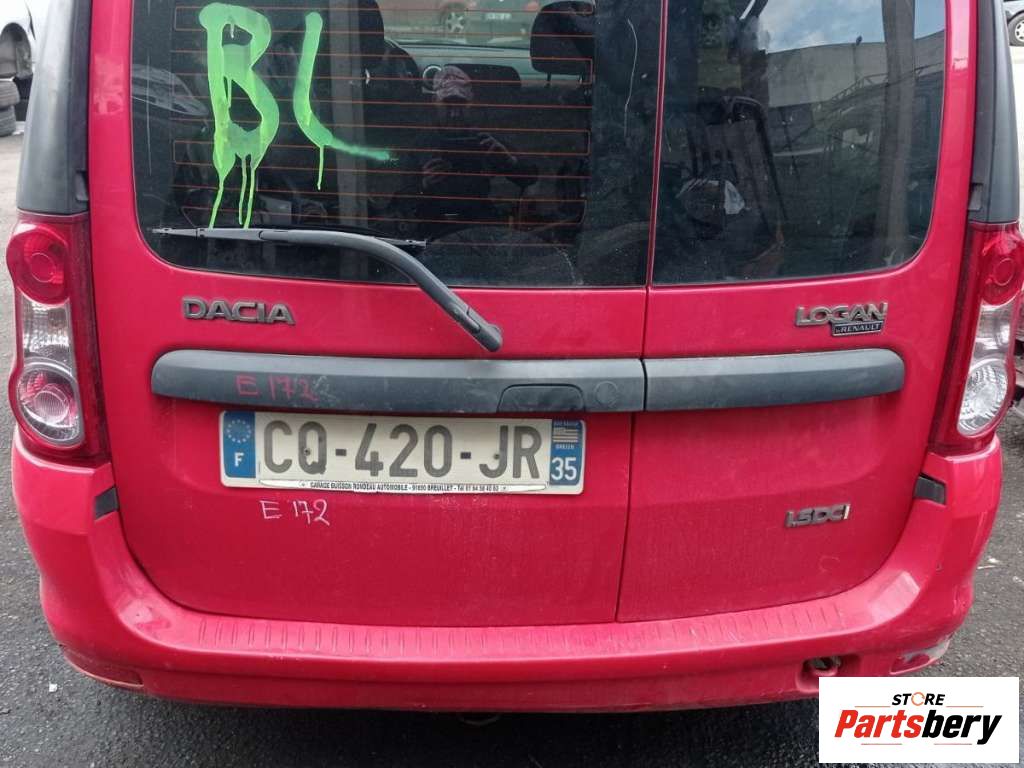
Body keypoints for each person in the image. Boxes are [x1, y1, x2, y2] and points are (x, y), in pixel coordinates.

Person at [394, 65, 536, 239]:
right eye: (448, 104)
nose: (455, 114)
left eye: (461, 104)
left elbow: (531, 177)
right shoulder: (421, 146)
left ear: (471, 103)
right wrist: (424, 185)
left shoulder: (485, 142)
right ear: (434, 102)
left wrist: (508, 161)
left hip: (482, 233)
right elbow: (402, 202)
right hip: (432, 232)